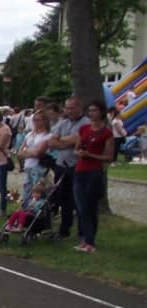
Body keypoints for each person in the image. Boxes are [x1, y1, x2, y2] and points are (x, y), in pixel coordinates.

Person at [72, 100, 114, 253]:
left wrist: (91, 155)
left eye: (95, 110)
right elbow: (76, 148)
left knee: (90, 207)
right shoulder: (84, 129)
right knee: (81, 207)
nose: (92, 114)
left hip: (94, 171)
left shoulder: (106, 132)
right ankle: (85, 239)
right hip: (80, 170)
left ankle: (90, 241)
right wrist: (80, 153)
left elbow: (109, 156)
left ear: (101, 112)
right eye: (90, 110)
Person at [47, 96, 90, 240]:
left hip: (76, 166)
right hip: (61, 165)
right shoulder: (62, 123)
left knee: (78, 200)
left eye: (72, 108)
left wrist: (63, 140)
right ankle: (64, 230)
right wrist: (65, 141)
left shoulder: (86, 123)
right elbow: (52, 142)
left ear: (79, 108)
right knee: (63, 199)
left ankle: (82, 232)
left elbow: (78, 139)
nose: (69, 111)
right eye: (67, 108)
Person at [17, 110, 53, 202]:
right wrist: (29, 151)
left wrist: (27, 150)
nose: (36, 122)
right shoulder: (29, 134)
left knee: (37, 194)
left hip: (39, 167)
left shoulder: (48, 136)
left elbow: (38, 153)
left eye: (38, 120)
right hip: (28, 166)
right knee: (27, 193)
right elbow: (20, 152)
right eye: (34, 120)